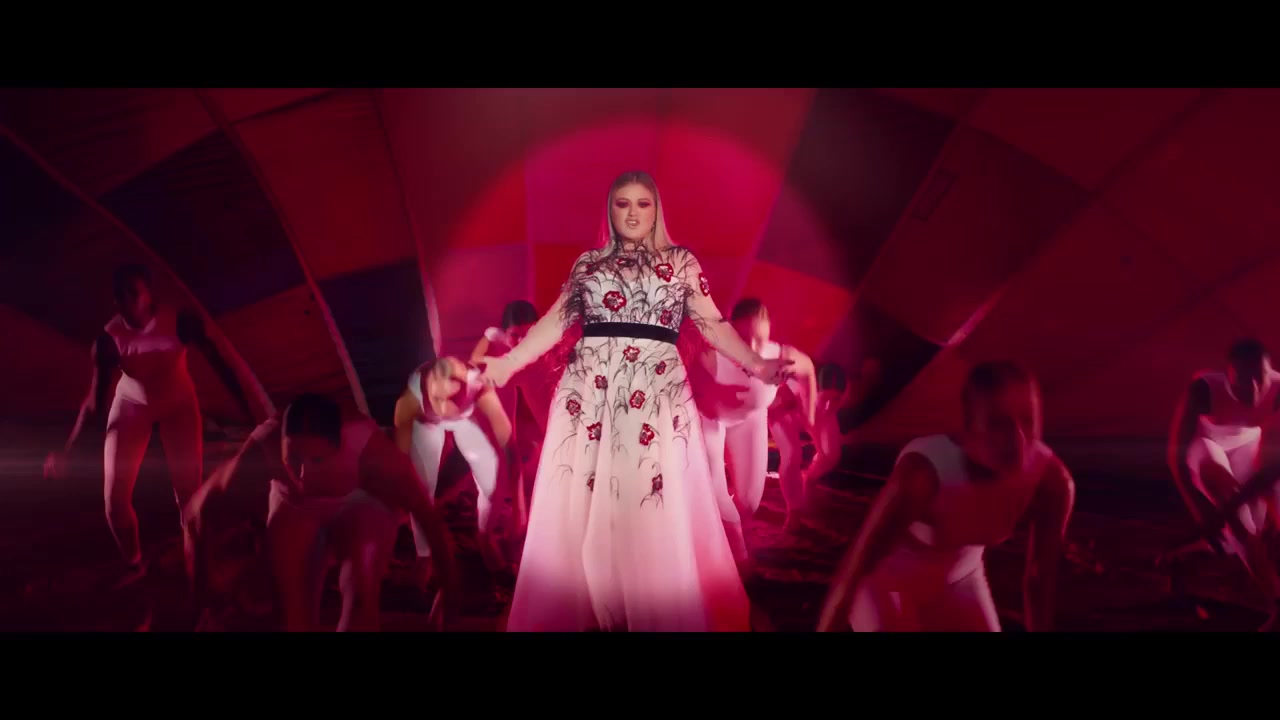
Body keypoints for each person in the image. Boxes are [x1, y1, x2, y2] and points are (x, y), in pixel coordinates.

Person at [481, 170, 793, 632]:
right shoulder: (588, 265)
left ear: (656, 210)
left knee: (645, 497)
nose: (632, 213)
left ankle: (646, 610)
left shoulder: (681, 262)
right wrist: (509, 364)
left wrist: (757, 364)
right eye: (622, 203)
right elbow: (553, 321)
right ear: (610, 210)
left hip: (654, 389)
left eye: (642, 203)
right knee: (589, 502)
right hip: (591, 391)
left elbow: (712, 323)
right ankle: (598, 610)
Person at [816, 361, 1074, 632]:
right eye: (998, 424)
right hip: (883, 581)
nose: (1017, 441)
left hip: (960, 578)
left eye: (1028, 421)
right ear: (970, 426)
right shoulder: (923, 474)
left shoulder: (1052, 483)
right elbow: (856, 568)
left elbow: (1039, 578)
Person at [44, 263, 254, 584]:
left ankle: (195, 567)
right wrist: (67, 451)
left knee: (188, 496)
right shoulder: (109, 340)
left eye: (134, 293)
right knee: (114, 503)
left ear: (149, 294)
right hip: (132, 406)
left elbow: (221, 365)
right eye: (120, 296)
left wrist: (250, 414)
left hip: (178, 406)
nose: (128, 303)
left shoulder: (180, 322)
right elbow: (94, 402)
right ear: (115, 301)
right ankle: (134, 565)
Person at [185, 393, 459, 632]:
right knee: (292, 615)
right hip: (295, 508)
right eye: (294, 458)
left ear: (339, 446)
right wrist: (201, 597)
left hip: (361, 506)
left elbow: (427, 517)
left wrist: (448, 590)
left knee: (360, 595)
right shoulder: (264, 448)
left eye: (316, 460)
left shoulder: (375, 455)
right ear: (280, 444)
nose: (303, 474)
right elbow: (194, 516)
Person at [1167, 338, 1280, 630]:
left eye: (1260, 378)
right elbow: (1175, 455)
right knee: (1239, 524)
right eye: (1243, 381)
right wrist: (1201, 514)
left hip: (1250, 445)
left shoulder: (1279, 390)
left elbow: (1272, 469)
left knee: (1253, 527)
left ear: (1270, 372)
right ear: (1228, 377)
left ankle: (1195, 553)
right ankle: (1277, 603)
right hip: (1206, 446)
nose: (1253, 389)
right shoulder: (1203, 390)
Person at [695, 298, 816, 563]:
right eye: (741, 338)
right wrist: (713, 392)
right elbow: (684, 378)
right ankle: (731, 556)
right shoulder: (711, 352)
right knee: (714, 490)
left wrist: (809, 414)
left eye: (759, 340)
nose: (751, 348)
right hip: (711, 421)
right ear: (729, 331)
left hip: (749, 421)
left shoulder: (779, 356)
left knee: (748, 503)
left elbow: (807, 369)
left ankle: (731, 535)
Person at [393, 356, 517, 578]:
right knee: (422, 485)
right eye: (437, 398)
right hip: (426, 423)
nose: (442, 407)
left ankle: (485, 536)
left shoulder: (480, 387)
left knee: (492, 480)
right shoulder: (409, 402)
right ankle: (424, 555)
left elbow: (508, 444)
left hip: (466, 419)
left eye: (450, 397)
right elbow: (402, 466)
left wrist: (519, 506)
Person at [470, 300, 553, 516]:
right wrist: (491, 338)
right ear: (505, 334)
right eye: (515, 335)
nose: (522, 341)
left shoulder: (541, 351)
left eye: (528, 334)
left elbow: (478, 361)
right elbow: (475, 363)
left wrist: (493, 336)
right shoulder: (512, 357)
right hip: (546, 430)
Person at [803, 358, 881, 487]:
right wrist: (820, 452)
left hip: (829, 452)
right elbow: (811, 430)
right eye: (826, 399)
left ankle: (809, 477)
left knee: (824, 463)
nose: (829, 404)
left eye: (835, 399)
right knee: (813, 474)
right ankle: (807, 479)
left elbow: (842, 398)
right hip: (823, 453)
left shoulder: (833, 407)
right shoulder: (815, 409)